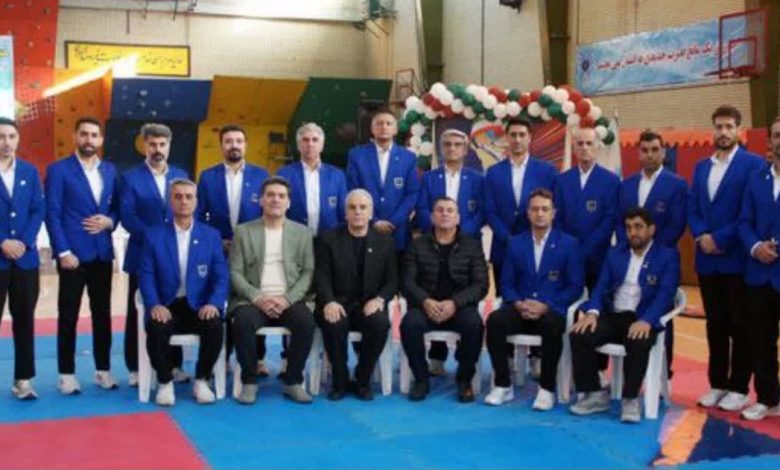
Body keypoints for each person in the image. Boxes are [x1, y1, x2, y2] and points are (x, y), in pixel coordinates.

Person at [569, 207, 679, 423]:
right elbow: (600, 287)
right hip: (614, 315)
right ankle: (594, 394)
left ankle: (630, 398)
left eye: (638, 227)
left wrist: (647, 320)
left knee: (638, 339)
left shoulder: (668, 256)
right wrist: (592, 312)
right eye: (628, 228)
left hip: (642, 316)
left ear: (651, 229)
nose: (632, 232)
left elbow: (666, 294)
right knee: (579, 334)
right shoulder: (615, 253)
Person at [688, 105, 765, 412]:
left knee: (740, 325)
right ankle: (717, 383)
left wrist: (719, 239)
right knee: (715, 325)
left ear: (738, 130)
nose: (723, 132)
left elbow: (749, 211)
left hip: (735, 259)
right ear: (713, 130)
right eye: (719, 127)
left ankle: (739, 387)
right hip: (707, 260)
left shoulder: (752, 164)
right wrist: (701, 235)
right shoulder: (701, 167)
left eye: (729, 126)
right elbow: (693, 208)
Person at [484, 189, 583, 410]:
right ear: (528, 213)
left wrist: (546, 306)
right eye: (535, 209)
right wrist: (518, 303)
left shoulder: (569, 244)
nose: (540, 214)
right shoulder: (515, 243)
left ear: (553, 213)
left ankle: (546, 389)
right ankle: (503, 385)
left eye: (545, 209)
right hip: (521, 308)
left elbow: (575, 287)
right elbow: (506, 283)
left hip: (550, 310)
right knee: (495, 321)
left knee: (551, 325)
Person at [46, 117, 120, 394]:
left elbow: (118, 208)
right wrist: (63, 251)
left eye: (94, 135)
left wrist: (110, 221)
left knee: (103, 314)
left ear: (101, 139)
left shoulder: (110, 171)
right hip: (72, 255)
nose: (89, 140)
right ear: (75, 136)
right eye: (84, 134)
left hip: (102, 253)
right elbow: (52, 214)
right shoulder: (58, 170)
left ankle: (103, 370)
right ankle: (66, 374)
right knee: (68, 315)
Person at [138, 179, 227, 406]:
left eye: (189, 196)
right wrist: (154, 304)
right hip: (167, 303)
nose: (183, 201)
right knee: (156, 328)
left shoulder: (211, 235)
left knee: (215, 326)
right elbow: (146, 275)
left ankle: (202, 380)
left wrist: (214, 303)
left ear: (196, 201)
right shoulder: (153, 235)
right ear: (171, 201)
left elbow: (221, 276)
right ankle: (165, 382)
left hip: (199, 304)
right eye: (178, 196)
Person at [229, 176, 316, 404]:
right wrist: (258, 297)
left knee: (306, 322)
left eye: (281, 196)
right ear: (261, 200)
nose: (275, 200)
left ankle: (293, 381)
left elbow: (308, 272)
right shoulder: (243, 231)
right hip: (253, 300)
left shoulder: (303, 233)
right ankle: (249, 381)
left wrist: (287, 299)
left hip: (289, 299)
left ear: (288, 202)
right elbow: (235, 272)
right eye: (270, 195)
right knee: (243, 322)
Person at [197, 124, 270, 375]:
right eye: (228, 141)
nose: (234, 145)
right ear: (221, 146)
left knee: (254, 301)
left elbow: (268, 214)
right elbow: (199, 217)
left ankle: (258, 357)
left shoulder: (262, 176)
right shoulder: (208, 177)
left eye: (239, 141)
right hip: (218, 251)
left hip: (253, 252)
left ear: (246, 145)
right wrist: (216, 241)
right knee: (221, 302)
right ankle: (223, 356)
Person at [120, 123, 189, 386]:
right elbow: (128, 216)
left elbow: (186, 211)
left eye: (162, 144)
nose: (157, 149)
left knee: (175, 307)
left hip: (177, 255)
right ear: (144, 146)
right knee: (138, 311)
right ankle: (135, 368)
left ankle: (174, 364)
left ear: (169, 146)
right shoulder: (130, 178)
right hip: (142, 254)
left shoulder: (181, 175)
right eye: (152, 144)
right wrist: (156, 242)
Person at [401, 197, 488, 402]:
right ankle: (421, 380)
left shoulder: (472, 246)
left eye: (450, 210)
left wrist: (455, 303)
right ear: (432, 217)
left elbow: (481, 284)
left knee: (474, 324)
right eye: (440, 210)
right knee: (409, 324)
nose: (445, 214)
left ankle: (464, 381)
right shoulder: (417, 245)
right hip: (425, 307)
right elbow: (406, 282)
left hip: (460, 308)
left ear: (458, 218)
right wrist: (425, 301)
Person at [314, 189, 396, 401]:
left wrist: (380, 300)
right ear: (345, 213)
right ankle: (339, 380)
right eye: (352, 207)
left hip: (369, 304)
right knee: (333, 322)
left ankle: (362, 378)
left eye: (362, 207)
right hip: (337, 303)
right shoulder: (327, 239)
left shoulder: (385, 241)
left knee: (379, 323)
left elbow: (392, 280)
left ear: (371, 213)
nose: (357, 211)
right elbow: (321, 276)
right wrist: (329, 301)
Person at [416, 128, 485, 375]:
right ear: (441, 148)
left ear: (465, 150)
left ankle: (464, 363)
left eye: (457, 144)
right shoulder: (429, 178)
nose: (452, 148)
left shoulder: (478, 179)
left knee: (465, 303)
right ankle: (437, 357)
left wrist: (458, 233)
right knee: (435, 289)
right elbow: (422, 209)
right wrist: (440, 228)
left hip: (466, 247)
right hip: (434, 245)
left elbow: (482, 211)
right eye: (447, 144)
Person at [618, 130, 688, 374]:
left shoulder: (677, 185)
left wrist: (650, 251)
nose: (649, 155)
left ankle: (662, 374)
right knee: (628, 310)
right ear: (638, 153)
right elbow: (620, 221)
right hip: (629, 257)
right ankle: (629, 372)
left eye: (655, 150)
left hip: (663, 258)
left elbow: (677, 224)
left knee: (661, 313)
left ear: (663, 152)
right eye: (645, 150)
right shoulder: (626, 185)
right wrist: (629, 248)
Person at [736, 115, 780, 421]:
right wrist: (756, 248)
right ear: (770, 141)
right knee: (761, 340)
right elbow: (743, 222)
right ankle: (768, 398)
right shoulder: (756, 179)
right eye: (777, 135)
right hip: (758, 274)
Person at [0, 117, 44, 400]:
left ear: (18, 139)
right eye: (1, 137)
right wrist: (2, 241)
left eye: (11, 136)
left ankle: (23, 379)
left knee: (25, 320)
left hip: (25, 260)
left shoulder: (29, 171)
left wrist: (23, 242)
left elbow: (38, 209)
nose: (6, 142)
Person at [484, 117, 557, 285]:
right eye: (513, 135)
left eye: (522, 135)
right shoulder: (493, 172)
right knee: (505, 297)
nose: (517, 139)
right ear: (506, 138)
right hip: (503, 247)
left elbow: (553, 207)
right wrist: (508, 238)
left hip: (537, 246)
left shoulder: (547, 171)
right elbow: (489, 210)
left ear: (530, 137)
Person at [346, 109, 419, 258]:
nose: (384, 127)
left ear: (395, 129)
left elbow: (412, 193)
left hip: (398, 232)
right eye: (379, 123)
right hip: (365, 229)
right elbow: (352, 189)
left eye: (388, 123)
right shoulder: (357, 155)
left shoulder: (408, 157)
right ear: (372, 129)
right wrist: (373, 220)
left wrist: (393, 222)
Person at [555, 127, 619, 291]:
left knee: (597, 302)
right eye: (580, 143)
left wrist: (586, 249)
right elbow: (557, 217)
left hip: (598, 257)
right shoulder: (561, 180)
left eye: (589, 143)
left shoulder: (611, 181)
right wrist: (569, 248)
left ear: (597, 146)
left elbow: (609, 219)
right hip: (567, 256)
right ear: (574, 148)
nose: (584, 147)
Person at [277, 122, 347, 235]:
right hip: (295, 237)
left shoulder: (337, 175)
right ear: (298, 145)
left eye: (315, 140)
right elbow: (279, 209)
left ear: (322, 145)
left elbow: (343, 211)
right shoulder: (284, 174)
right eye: (305, 140)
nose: (310, 144)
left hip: (328, 238)